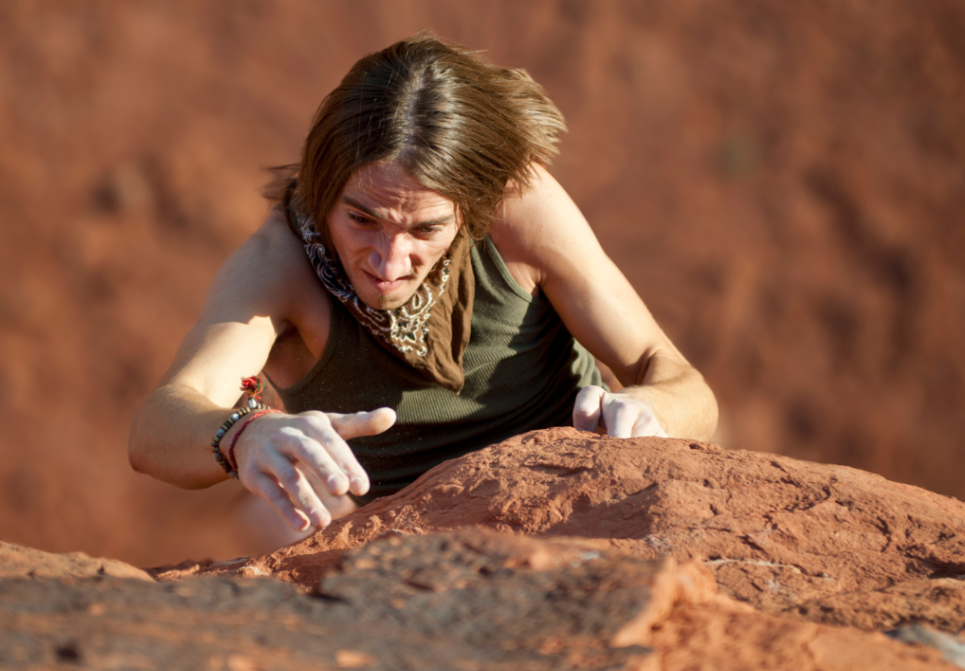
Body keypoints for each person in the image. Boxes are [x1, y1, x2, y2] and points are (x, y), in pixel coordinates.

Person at [129, 33, 717, 544]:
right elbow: (158, 425)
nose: (389, 260)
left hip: (588, 517)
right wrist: (243, 434)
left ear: (474, 204)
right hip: (420, 567)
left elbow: (674, 377)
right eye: (361, 220)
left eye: (425, 229)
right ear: (324, 187)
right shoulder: (280, 265)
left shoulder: (521, 209)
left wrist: (648, 409)